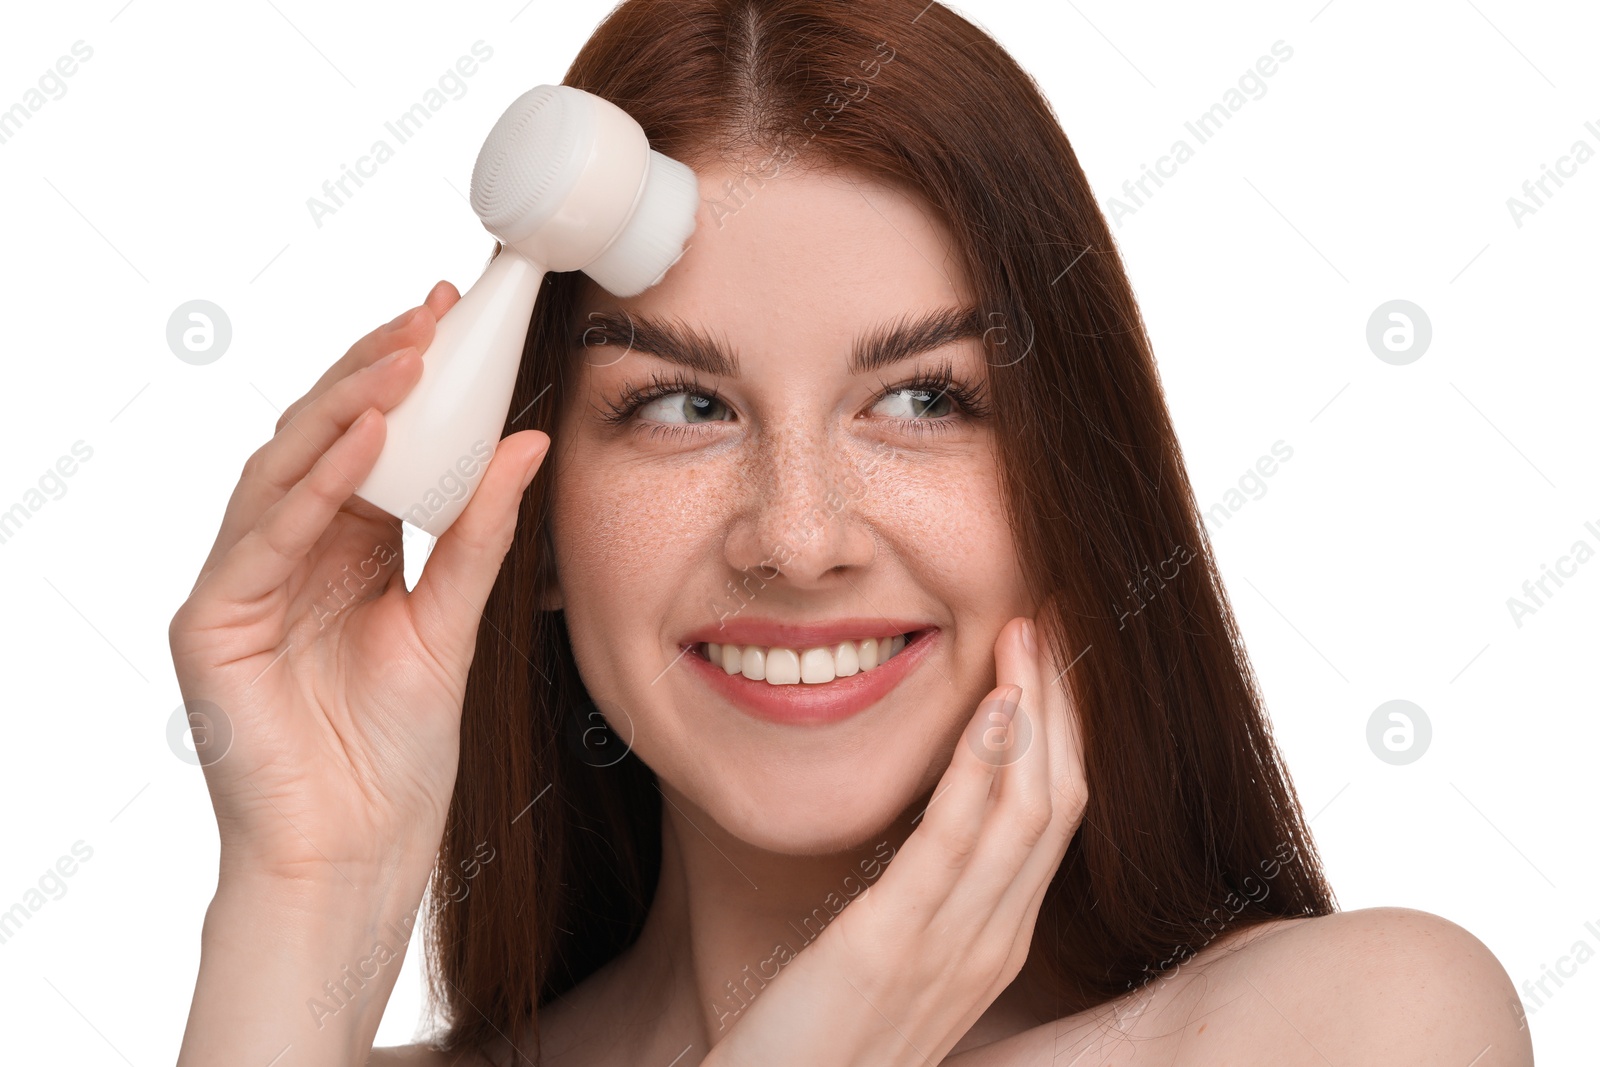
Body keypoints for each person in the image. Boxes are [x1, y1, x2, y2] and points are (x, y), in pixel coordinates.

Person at [171, 1, 1532, 1064]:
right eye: (681, 404)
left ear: (1072, 493)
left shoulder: (1355, 1033)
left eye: (926, 398)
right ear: (528, 529)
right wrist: (310, 875)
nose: (799, 537)